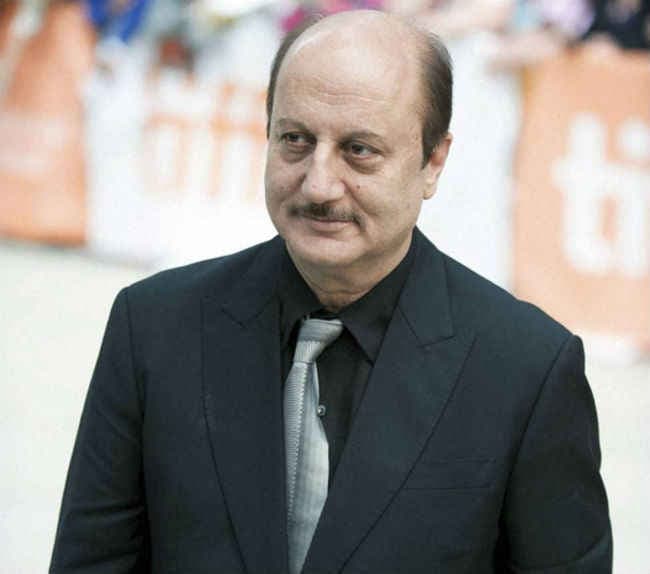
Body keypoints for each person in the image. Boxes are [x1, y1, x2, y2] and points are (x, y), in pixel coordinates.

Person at [50, 10, 612, 573]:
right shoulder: (153, 329)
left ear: (433, 161)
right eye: (295, 140)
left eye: (359, 150)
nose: (318, 184)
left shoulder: (526, 371)